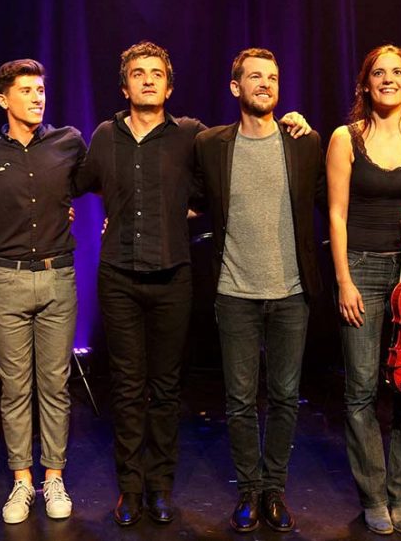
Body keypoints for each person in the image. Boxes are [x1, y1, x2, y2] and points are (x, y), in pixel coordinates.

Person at [74, 41, 311, 527]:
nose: (147, 80)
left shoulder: (192, 137)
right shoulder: (104, 135)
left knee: (165, 388)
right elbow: (73, 184)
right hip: (118, 274)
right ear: (124, 85)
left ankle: (159, 487)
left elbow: (212, 191)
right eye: (138, 74)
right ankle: (129, 489)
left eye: (156, 73)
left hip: (174, 275)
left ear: (169, 85)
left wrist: (297, 121)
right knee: (125, 387)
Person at [194, 47, 325, 533]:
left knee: (286, 397)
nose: (265, 84)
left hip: (291, 292)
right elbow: (187, 199)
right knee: (240, 399)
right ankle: (248, 491)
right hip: (234, 291)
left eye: (272, 76)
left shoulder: (303, 143)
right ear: (236, 87)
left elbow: (334, 199)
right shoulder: (211, 145)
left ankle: (275, 490)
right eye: (255, 77)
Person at [326, 44, 401, 535]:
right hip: (360, 268)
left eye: (397, 72)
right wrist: (343, 280)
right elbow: (335, 213)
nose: (389, 79)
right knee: (360, 390)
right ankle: (373, 495)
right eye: (380, 72)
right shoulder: (345, 138)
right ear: (366, 82)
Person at [0, 59, 85, 524]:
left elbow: (106, 179)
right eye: (27, 90)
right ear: (3, 99)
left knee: (55, 384)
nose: (38, 97)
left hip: (58, 276)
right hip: (7, 278)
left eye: (41, 89)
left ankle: (53, 476)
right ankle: (21, 481)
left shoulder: (68, 142)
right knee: (16, 388)